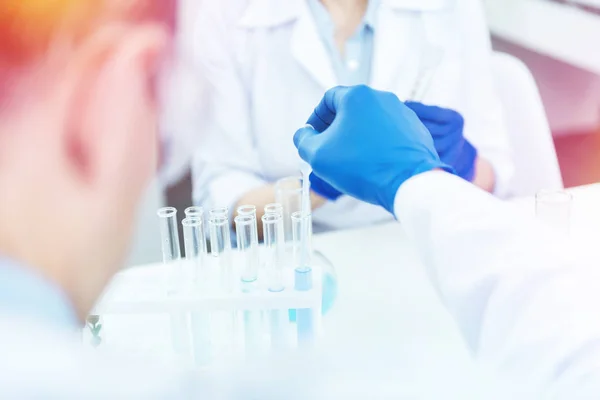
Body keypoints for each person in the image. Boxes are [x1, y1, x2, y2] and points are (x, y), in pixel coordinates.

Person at [191, 0, 514, 232]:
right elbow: (222, 200)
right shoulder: (224, 13)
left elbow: (496, 175)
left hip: (423, 240)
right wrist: (321, 185)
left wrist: (458, 161)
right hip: (302, 254)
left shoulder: (451, 6)